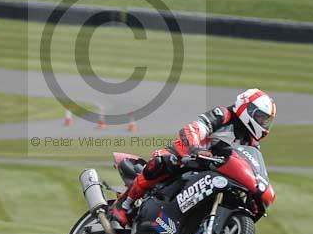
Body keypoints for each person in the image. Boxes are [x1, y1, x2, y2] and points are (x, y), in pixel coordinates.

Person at [112, 88, 276, 226]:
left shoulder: (251, 143)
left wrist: (257, 194)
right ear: (246, 109)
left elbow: (253, 167)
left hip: (215, 172)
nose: (262, 124)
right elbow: (194, 128)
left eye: (265, 120)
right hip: (188, 157)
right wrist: (195, 148)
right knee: (163, 162)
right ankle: (125, 203)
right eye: (260, 117)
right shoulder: (223, 115)